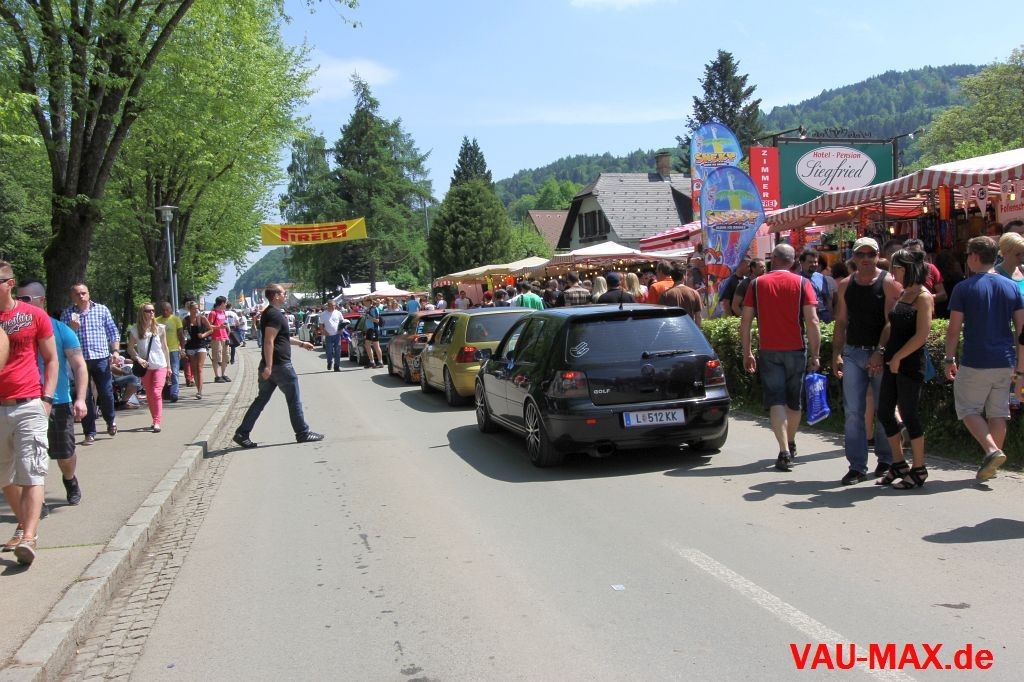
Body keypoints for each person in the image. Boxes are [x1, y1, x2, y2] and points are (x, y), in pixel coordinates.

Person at [944, 236, 1024, 482]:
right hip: (1005, 359)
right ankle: (991, 465)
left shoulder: (963, 288)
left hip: (976, 359)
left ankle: (991, 451)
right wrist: (1021, 368)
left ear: (975, 257)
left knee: (967, 408)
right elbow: (1022, 330)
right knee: (998, 413)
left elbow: (954, 329)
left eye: (968, 254)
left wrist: (949, 358)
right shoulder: (1011, 286)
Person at [740, 245, 821, 472]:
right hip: (796, 348)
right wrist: (816, 354)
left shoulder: (757, 284)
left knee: (776, 400)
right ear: (794, 261)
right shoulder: (803, 283)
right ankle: (791, 442)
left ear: (773, 259)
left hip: (768, 350)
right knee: (794, 401)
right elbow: (812, 321)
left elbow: (745, 322)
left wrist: (747, 352)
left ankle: (784, 449)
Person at [0, 261, 58, 566]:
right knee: (4, 477)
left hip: (28, 404)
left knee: (32, 470)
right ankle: (24, 524)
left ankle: (29, 537)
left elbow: (51, 358)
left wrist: (46, 398)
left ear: (10, 284)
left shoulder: (34, 315)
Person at [831, 237, 899, 485]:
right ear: (854, 257)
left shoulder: (888, 283)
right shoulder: (846, 285)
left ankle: (886, 459)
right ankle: (857, 466)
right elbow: (841, 321)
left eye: (871, 254)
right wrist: (836, 353)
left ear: (878, 256)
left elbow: (891, 322)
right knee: (853, 412)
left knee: (883, 409)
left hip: (879, 353)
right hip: (853, 352)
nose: (866, 259)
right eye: (861, 254)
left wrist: (880, 351)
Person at [17, 280, 87, 507]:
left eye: (26, 299)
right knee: (29, 458)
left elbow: (79, 365)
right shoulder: (12, 331)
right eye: (18, 299)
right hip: (25, 403)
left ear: (42, 300)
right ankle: (37, 502)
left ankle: (70, 479)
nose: (20, 304)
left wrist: (80, 399)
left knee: (64, 456)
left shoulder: (61, 330)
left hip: (58, 402)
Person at [233, 284, 324, 448]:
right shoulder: (274, 314)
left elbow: (282, 337)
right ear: (275, 296)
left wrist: (302, 344)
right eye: (283, 293)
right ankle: (302, 433)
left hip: (273, 365)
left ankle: (242, 433)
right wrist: (268, 366)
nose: (285, 295)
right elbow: (269, 341)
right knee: (294, 400)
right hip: (280, 365)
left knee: (261, 400)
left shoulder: (270, 313)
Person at [873, 250, 933, 489]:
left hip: (909, 364)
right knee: (884, 412)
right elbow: (892, 326)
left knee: (909, 413)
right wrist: (881, 351)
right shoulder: (903, 293)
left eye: (896, 268)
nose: (892, 272)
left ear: (909, 268)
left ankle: (919, 468)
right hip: (892, 361)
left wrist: (898, 356)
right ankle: (898, 463)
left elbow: (922, 335)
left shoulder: (923, 296)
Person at [61, 282, 120, 445]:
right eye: (77, 294)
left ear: (88, 294)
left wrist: (115, 351)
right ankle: (89, 432)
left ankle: (110, 420)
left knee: (106, 392)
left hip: (100, 358)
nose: (81, 296)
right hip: (79, 360)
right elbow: (62, 338)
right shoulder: (67, 314)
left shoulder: (101, 310)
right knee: (84, 396)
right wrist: (71, 328)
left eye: (83, 293)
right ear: (72, 297)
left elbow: (113, 332)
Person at [127, 302, 171, 433]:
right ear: (142, 313)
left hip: (160, 365)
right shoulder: (135, 330)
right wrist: (138, 359)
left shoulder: (160, 328)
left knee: (157, 392)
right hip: (145, 367)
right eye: (148, 311)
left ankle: (157, 421)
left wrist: (169, 366)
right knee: (150, 394)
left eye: (153, 310)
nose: (151, 313)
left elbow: (165, 348)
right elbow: (130, 348)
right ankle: (154, 419)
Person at [903, 239, 947, 309]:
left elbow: (943, 295)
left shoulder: (931, 268)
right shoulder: (899, 271)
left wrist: (923, 298)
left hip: (927, 312)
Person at [183, 301, 213, 399]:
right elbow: (182, 332)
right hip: (190, 346)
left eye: (197, 308)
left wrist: (203, 335)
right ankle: (198, 389)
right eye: (194, 308)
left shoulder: (202, 318)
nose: (196, 310)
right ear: (189, 309)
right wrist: (184, 339)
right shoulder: (186, 320)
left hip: (201, 345)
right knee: (194, 369)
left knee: (199, 368)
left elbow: (211, 329)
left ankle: (200, 391)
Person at [156, 301, 185, 402]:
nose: (165, 312)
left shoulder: (176, 319)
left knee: (174, 372)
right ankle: (164, 392)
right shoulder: (156, 321)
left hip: (173, 349)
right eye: (163, 310)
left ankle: (174, 393)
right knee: (162, 372)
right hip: (161, 351)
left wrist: (182, 348)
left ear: (171, 310)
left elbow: (181, 335)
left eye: (167, 310)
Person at [798, 249, 832, 323]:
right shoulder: (797, 279)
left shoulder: (821, 277)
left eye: (815, 262)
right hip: (807, 318)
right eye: (810, 262)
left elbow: (827, 298)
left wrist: (831, 315)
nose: (814, 264)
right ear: (802, 262)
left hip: (824, 317)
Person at [207, 296, 231, 383]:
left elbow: (225, 323)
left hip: (225, 337)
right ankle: (217, 376)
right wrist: (218, 327)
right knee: (217, 357)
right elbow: (209, 325)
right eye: (225, 303)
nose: (226, 304)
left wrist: (227, 328)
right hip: (216, 338)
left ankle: (223, 374)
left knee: (226, 356)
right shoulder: (213, 313)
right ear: (221, 303)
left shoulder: (223, 312)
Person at [319, 299, 344, 372]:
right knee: (329, 351)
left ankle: (336, 366)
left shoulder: (338, 313)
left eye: (334, 306)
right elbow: (321, 325)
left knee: (338, 351)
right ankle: (329, 362)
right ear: (328, 306)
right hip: (328, 335)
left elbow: (342, 321)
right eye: (332, 306)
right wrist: (324, 331)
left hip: (337, 335)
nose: (333, 307)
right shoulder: (323, 314)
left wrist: (341, 329)